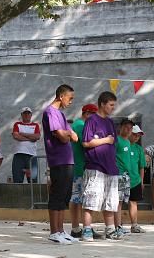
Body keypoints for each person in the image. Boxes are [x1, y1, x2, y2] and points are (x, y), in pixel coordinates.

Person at [42, 85, 79, 243]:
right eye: (70, 98)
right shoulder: (50, 112)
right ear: (61, 96)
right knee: (57, 195)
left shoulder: (61, 115)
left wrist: (68, 133)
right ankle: (53, 231)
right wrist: (67, 134)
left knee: (65, 196)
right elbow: (62, 136)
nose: (71, 102)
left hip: (68, 160)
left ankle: (61, 230)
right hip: (58, 160)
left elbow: (74, 137)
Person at [81, 91, 120, 241]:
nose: (112, 108)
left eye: (113, 105)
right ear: (102, 104)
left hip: (111, 167)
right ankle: (86, 229)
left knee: (110, 201)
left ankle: (110, 229)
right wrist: (105, 140)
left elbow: (113, 142)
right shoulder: (91, 120)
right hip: (95, 166)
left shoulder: (110, 122)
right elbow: (86, 142)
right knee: (91, 199)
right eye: (111, 105)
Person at [68, 104, 100, 239]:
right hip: (80, 167)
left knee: (80, 199)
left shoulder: (78, 124)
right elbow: (87, 143)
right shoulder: (81, 126)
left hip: (80, 167)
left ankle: (80, 227)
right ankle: (78, 228)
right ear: (87, 113)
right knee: (78, 199)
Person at [112, 119, 135, 238]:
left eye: (131, 128)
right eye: (126, 127)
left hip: (126, 176)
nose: (129, 130)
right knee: (117, 202)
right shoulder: (116, 140)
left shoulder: (127, 142)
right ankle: (116, 227)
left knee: (121, 202)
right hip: (118, 175)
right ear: (120, 127)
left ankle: (119, 225)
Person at [126, 125, 147, 233]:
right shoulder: (121, 145)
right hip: (121, 178)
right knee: (117, 202)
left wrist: (141, 181)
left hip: (135, 180)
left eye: (138, 135)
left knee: (133, 202)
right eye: (134, 134)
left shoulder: (139, 149)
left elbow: (142, 166)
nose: (136, 137)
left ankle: (134, 225)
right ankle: (116, 226)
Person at [11, 107, 41, 183]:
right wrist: (31, 138)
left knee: (33, 181)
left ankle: (33, 195)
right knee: (17, 180)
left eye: (28, 113)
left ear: (31, 115)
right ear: (21, 115)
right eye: (25, 113)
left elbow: (37, 136)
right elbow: (16, 136)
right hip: (18, 155)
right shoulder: (17, 124)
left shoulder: (35, 125)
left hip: (32, 155)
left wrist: (22, 134)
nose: (27, 115)